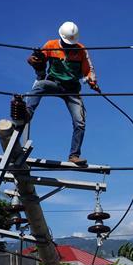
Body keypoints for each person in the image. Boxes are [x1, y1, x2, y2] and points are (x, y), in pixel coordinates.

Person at [24, 21, 99, 165]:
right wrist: (33, 60)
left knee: (80, 122)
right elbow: (33, 59)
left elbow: (89, 69)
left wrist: (92, 82)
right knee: (40, 85)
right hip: (54, 83)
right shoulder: (51, 45)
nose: (69, 46)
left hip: (72, 89)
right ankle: (27, 113)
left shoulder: (81, 50)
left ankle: (74, 155)